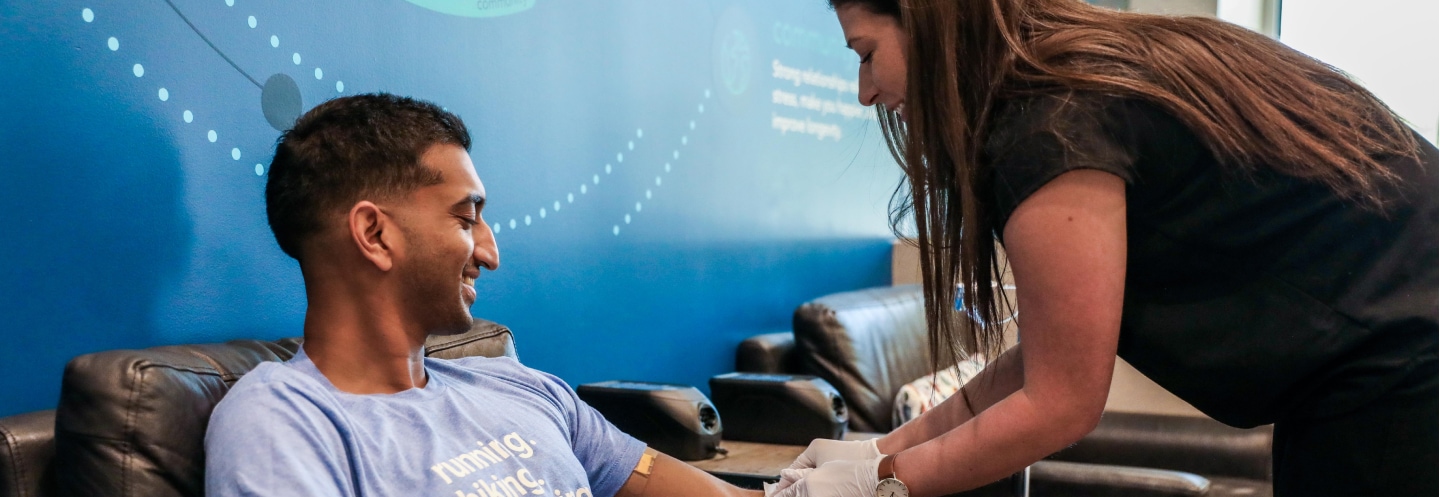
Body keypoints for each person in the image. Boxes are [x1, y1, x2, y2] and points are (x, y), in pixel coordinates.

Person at [774, 1, 1438, 496]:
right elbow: (1047, 356)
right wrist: (878, 451)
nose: (865, 92)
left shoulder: (1048, 124)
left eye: (865, 53)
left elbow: (1061, 401)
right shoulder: (1064, 80)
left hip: (1405, 355)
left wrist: (884, 484)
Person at [204, 93, 761, 497]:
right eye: (466, 218)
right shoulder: (282, 423)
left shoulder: (519, 386)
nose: (490, 253)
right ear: (375, 234)